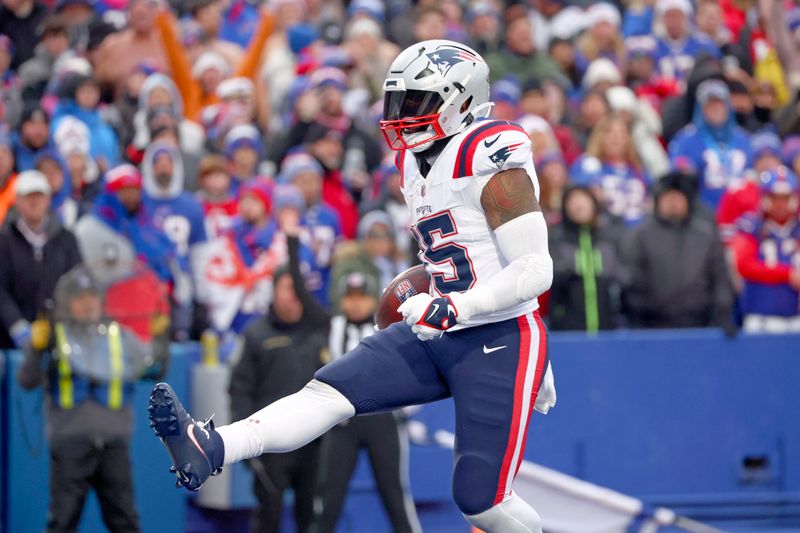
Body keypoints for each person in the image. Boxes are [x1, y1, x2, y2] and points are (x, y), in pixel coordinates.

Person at [149, 40, 556, 533]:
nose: (402, 115)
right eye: (398, 102)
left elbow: (535, 269)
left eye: (417, 102)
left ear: (462, 101)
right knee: (327, 391)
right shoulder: (414, 162)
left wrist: (463, 311)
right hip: (439, 324)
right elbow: (462, 254)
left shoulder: (488, 151)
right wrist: (442, 306)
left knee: (482, 502)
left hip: (499, 336)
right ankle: (212, 445)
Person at [17, 265, 168, 533]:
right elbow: (26, 381)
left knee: (126, 522)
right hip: (69, 445)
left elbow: (153, 369)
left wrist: (160, 339)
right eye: (80, 298)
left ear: (102, 300)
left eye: (92, 296)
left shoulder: (119, 336)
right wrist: (35, 348)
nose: (87, 304)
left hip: (113, 445)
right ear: (67, 302)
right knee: (62, 521)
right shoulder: (56, 336)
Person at [228, 218, 328, 533]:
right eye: (286, 289)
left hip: (314, 441)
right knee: (268, 515)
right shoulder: (256, 334)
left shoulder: (320, 331)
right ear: (273, 292)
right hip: (270, 441)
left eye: (297, 290)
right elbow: (239, 389)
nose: (293, 297)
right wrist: (246, 443)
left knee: (309, 516)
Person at [313, 267, 422, 533]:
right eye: (350, 296)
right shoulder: (332, 326)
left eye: (362, 296)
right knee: (328, 498)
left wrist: (405, 412)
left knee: (394, 495)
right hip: (343, 423)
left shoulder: (392, 329)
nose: (356, 302)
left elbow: (413, 370)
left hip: (382, 420)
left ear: (375, 299)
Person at [622, 171, 734, 329]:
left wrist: (721, 317)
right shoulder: (641, 235)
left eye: (678, 197)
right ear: (657, 201)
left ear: (687, 201)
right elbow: (632, 279)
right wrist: (637, 318)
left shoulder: (705, 235)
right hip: (652, 325)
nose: (673, 203)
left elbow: (720, 279)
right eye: (667, 197)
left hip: (699, 324)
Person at [0, 170, 82, 349]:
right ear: (17, 201)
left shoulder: (66, 239)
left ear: (48, 199)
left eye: (39, 195)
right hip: (11, 341)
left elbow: (77, 282)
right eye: (28, 196)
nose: (34, 201)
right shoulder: (4, 239)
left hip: (60, 337)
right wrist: (16, 324)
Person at [548, 185, 628, 332]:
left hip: (608, 324)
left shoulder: (608, 238)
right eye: (573, 201)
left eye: (583, 200)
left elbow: (623, 274)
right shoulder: (556, 239)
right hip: (568, 326)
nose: (579, 205)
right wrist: (574, 268)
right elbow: (552, 276)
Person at [730, 167, 800, 333]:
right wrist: (787, 274)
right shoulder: (751, 227)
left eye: (785, 198)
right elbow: (744, 265)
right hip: (761, 317)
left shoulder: (796, 229)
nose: (780, 205)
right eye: (775, 198)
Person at [668, 79, 752, 208]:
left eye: (719, 104)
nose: (715, 109)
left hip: (742, 216)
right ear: (700, 109)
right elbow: (680, 178)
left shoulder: (744, 139)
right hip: (703, 216)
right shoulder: (685, 140)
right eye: (710, 105)